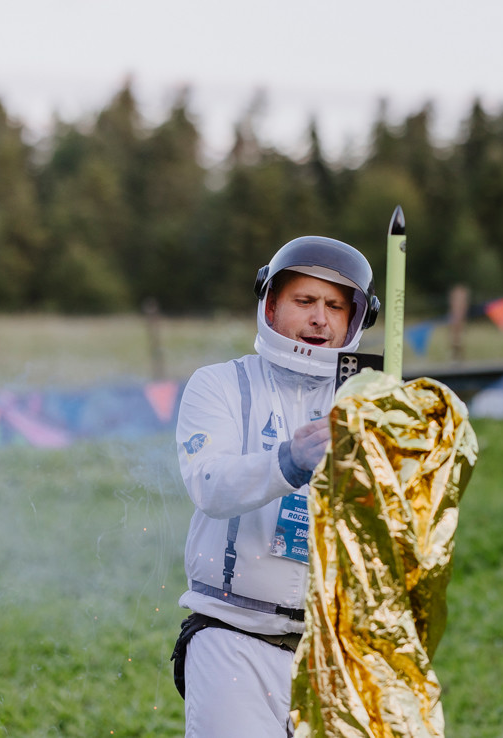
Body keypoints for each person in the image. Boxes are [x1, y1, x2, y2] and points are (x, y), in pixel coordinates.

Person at [171, 235, 381, 737]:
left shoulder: (370, 400)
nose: (320, 319)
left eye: (335, 306)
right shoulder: (219, 384)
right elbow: (210, 484)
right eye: (304, 301)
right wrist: (288, 461)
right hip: (232, 639)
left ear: (356, 319)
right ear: (270, 306)